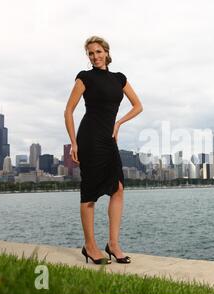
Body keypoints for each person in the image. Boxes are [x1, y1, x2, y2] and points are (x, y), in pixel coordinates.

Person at [64, 36, 143, 264]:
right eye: (90, 53)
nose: (95, 56)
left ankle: (113, 244)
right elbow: (69, 111)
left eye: (98, 52)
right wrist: (74, 143)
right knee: (90, 193)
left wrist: (119, 123)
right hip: (89, 138)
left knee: (118, 188)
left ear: (106, 52)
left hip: (109, 139)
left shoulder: (119, 79)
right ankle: (90, 246)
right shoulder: (84, 77)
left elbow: (138, 106)